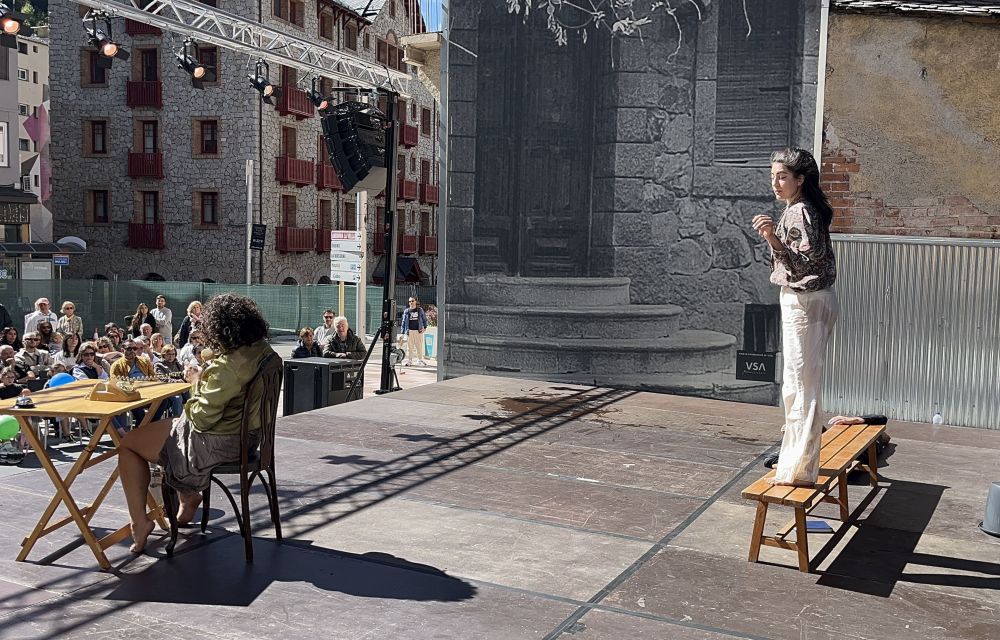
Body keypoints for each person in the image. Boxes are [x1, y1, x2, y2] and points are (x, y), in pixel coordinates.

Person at [116, 293, 276, 553]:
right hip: (251, 437)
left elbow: (200, 418)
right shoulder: (262, 351)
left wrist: (196, 382)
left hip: (222, 442)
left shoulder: (229, 367)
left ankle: (140, 522)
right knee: (168, 430)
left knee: (129, 445)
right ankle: (188, 497)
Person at [751, 147, 838, 488]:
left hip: (806, 303)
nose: (775, 183)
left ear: (800, 179)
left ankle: (799, 469)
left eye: (782, 176)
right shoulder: (803, 209)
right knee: (800, 384)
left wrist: (771, 237)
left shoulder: (800, 211)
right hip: (810, 301)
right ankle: (796, 462)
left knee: (800, 386)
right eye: (773, 176)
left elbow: (802, 265)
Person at [154, 344, 186, 418]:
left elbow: (184, 376)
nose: (171, 356)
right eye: (168, 354)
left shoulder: (178, 364)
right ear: (164, 355)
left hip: (181, 389)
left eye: (173, 354)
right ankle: (177, 419)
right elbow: (162, 379)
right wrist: (177, 382)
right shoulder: (159, 365)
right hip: (167, 390)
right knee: (177, 398)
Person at [400, 297, 427, 366]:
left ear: (415, 302)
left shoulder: (420, 310)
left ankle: (420, 360)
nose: (411, 302)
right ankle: (410, 361)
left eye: (412, 301)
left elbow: (424, 319)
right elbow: (403, 322)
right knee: (410, 347)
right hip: (409, 331)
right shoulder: (407, 311)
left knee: (419, 346)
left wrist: (425, 327)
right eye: (409, 301)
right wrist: (402, 332)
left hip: (418, 331)